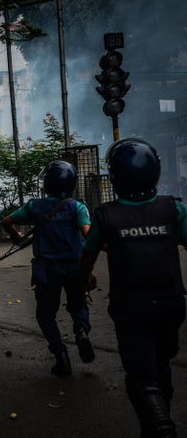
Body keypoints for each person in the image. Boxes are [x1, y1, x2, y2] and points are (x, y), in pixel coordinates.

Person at [79, 138, 186, 438]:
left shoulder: (105, 215)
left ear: (114, 178)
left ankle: (160, 426)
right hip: (171, 303)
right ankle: (154, 424)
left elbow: (87, 257)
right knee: (161, 363)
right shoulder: (174, 209)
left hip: (131, 306)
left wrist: (85, 279)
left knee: (141, 374)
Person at [2, 160, 94, 375]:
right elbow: (89, 237)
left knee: (45, 314)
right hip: (74, 267)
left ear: (47, 183)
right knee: (78, 306)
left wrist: (17, 237)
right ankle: (81, 330)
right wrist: (89, 269)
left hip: (47, 270)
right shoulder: (77, 207)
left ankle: (61, 355)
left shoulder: (35, 206)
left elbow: (7, 221)